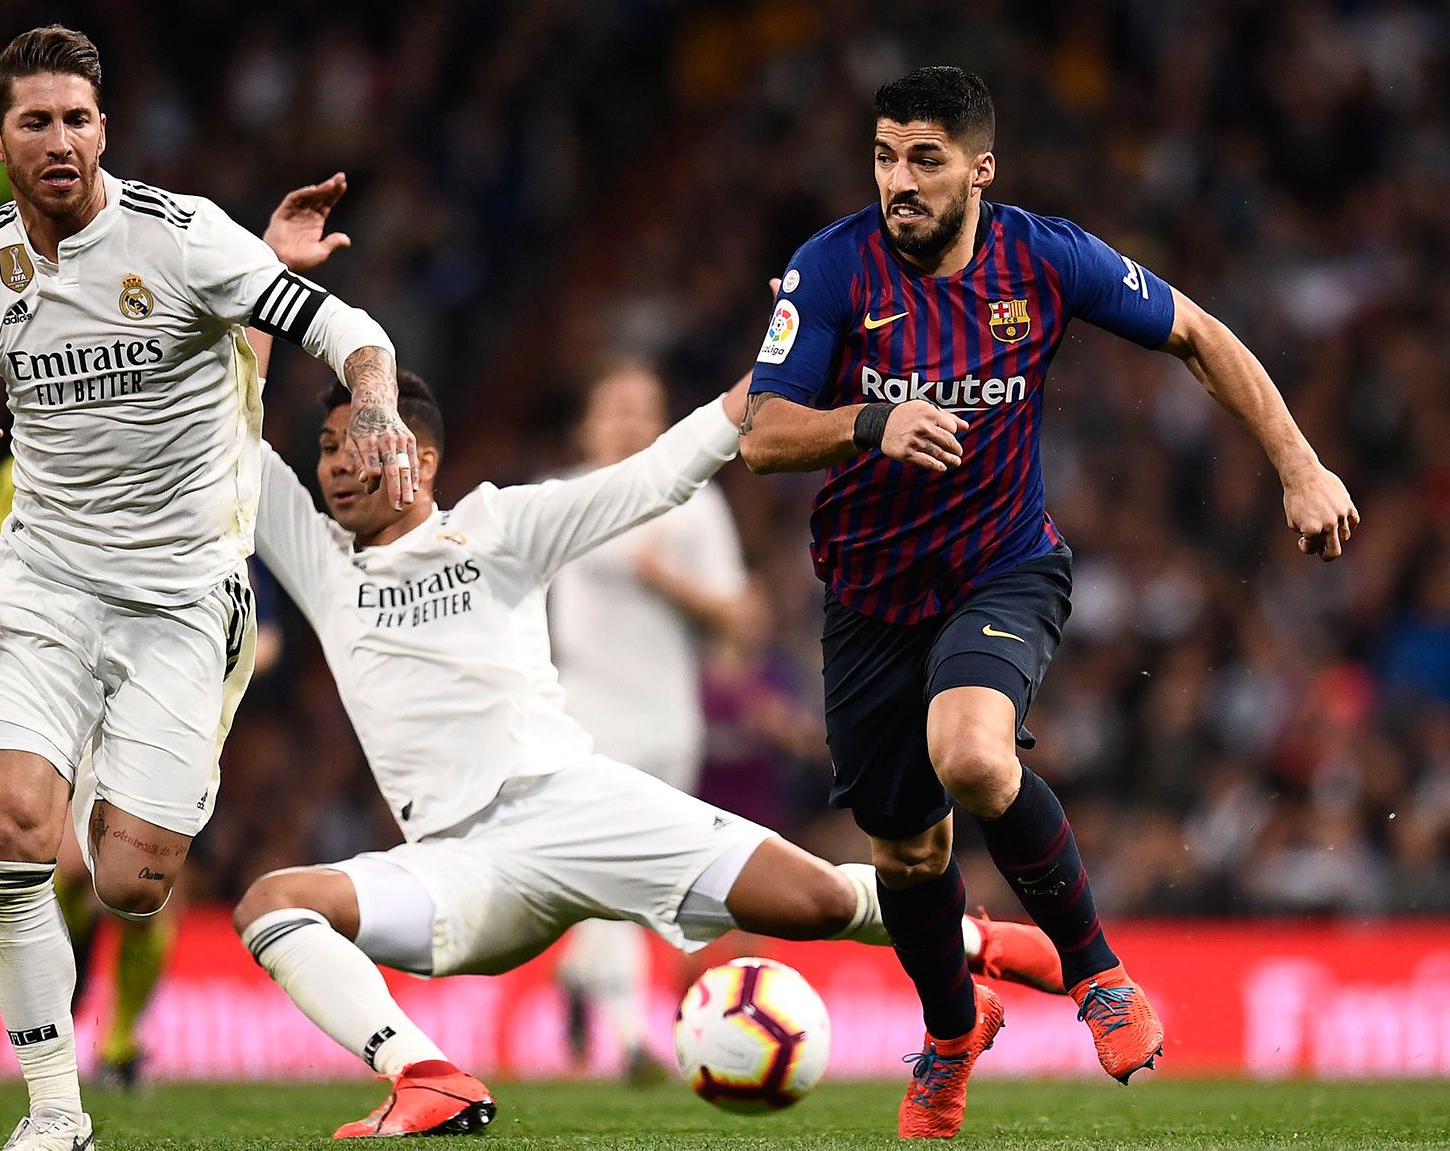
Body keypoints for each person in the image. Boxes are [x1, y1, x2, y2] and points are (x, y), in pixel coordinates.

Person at [738, 67, 1359, 1139]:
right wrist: (871, 422)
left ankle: (1099, 973)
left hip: (1002, 565)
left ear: (982, 167)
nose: (899, 181)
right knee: (908, 852)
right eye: (885, 156)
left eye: (925, 159)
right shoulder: (830, 267)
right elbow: (761, 435)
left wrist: (1300, 467)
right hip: (870, 595)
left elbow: (1201, 335)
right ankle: (950, 1031)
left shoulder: (1047, 255)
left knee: (973, 755)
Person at [234, 365, 1064, 1139]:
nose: (336, 464)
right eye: (327, 448)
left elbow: (659, 473)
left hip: (573, 803)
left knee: (813, 901)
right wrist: (256, 284)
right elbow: (235, 432)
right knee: (272, 903)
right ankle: (424, 1074)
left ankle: (968, 938)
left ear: (419, 454)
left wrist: (780, 359)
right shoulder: (322, 565)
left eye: (356, 442)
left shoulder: (495, 526)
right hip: (457, 865)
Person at [0, 25, 414, 1151]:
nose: (61, 139)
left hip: (182, 596)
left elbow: (353, 330)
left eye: (79, 119)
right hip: (45, 582)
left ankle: (103, 822)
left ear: (105, 130)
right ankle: (55, 1112)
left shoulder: (180, 240)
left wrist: (374, 404)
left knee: (129, 881)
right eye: (37, 122)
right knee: (17, 828)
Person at [546, 362, 747, 1081]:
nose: (631, 421)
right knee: (613, 868)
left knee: (645, 879)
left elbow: (739, 612)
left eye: (645, 408)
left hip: (671, 717)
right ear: (588, 423)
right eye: (617, 407)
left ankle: (579, 976)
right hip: (587, 711)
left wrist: (670, 582)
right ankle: (632, 1036)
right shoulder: (561, 498)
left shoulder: (693, 502)